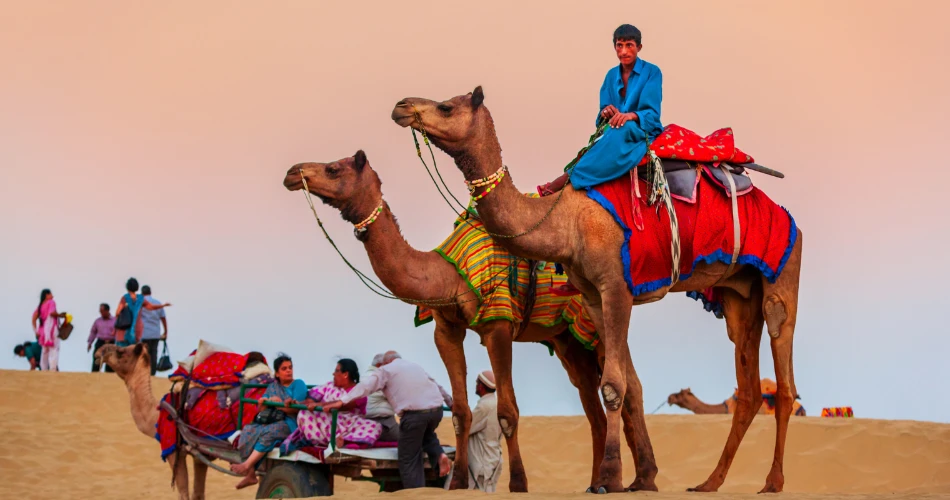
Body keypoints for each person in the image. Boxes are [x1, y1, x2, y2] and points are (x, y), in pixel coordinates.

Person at [537, 24, 664, 296]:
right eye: (619, 45)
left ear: (639, 47)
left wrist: (629, 115)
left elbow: (652, 114)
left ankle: (568, 180)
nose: (624, 50)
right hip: (613, 132)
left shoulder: (652, 72)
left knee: (620, 133)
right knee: (603, 139)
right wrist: (608, 112)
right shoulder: (611, 76)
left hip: (639, 132)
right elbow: (602, 115)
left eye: (629, 45)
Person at [323, 351, 453, 489]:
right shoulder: (414, 366)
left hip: (413, 416)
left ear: (385, 363)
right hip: (436, 411)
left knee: (408, 457)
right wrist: (451, 403)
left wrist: (341, 401)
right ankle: (439, 455)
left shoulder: (385, 370)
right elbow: (437, 385)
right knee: (425, 434)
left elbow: (365, 388)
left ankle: (416, 492)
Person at [231, 353, 308, 490]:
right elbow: (261, 408)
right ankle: (251, 475)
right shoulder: (273, 386)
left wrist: (278, 404)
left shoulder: (298, 384)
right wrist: (265, 401)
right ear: (277, 374)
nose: (289, 371)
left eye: (290, 367)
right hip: (272, 419)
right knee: (249, 430)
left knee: (270, 432)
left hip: (291, 423)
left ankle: (247, 465)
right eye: (284, 369)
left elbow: (296, 409)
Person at [295, 358, 382, 449]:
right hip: (327, 424)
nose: (333, 374)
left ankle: (344, 440)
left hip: (351, 426)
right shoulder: (329, 386)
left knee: (375, 426)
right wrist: (297, 402)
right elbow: (310, 401)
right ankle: (329, 441)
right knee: (304, 413)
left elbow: (344, 405)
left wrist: (319, 405)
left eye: (336, 371)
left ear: (345, 374)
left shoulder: (359, 391)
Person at [467, 370, 503, 492]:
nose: (476, 386)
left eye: (477, 383)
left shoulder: (484, 407)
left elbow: (467, 429)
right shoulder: (497, 403)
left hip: (482, 463)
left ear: (481, 387)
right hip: (493, 459)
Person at [113, 278, 170, 347]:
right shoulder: (140, 299)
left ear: (127, 287)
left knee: (122, 353)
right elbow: (151, 307)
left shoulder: (125, 298)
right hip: (137, 331)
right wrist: (163, 305)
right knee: (135, 353)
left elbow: (118, 312)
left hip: (124, 330)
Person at [364, 353, 400, 442]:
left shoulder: (365, 375)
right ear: (379, 365)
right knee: (411, 437)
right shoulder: (380, 377)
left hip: (366, 422)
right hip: (382, 422)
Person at [31, 289, 68, 371]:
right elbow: (52, 313)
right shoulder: (51, 302)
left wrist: (35, 331)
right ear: (46, 295)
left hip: (43, 331)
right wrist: (60, 315)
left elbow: (33, 319)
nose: (52, 296)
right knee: (54, 349)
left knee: (45, 350)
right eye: (51, 294)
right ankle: (53, 369)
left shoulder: (40, 306)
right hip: (52, 329)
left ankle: (43, 369)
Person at [138, 285, 168, 375]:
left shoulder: (141, 304)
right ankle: (152, 373)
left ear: (142, 293)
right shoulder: (157, 303)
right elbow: (163, 318)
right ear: (150, 292)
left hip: (144, 333)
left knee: (143, 354)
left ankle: (144, 373)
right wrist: (166, 331)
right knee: (153, 353)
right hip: (155, 333)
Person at [87, 303, 116, 373]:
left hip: (111, 343)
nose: (101, 313)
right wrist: (90, 342)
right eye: (100, 311)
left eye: (102, 311)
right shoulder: (98, 321)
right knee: (97, 360)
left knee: (111, 362)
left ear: (107, 310)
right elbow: (93, 332)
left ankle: (108, 378)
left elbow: (118, 332)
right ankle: (94, 376)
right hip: (100, 342)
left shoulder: (115, 320)